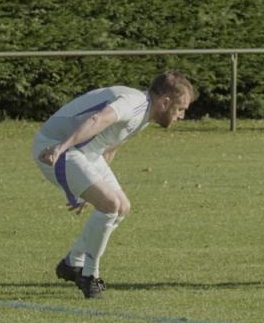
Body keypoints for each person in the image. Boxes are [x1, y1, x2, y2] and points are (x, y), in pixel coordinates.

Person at [32, 71, 195, 299]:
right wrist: (60, 148)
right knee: (110, 204)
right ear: (165, 102)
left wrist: (91, 188)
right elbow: (98, 120)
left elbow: (109, 146)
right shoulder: (134, 103)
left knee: (122, 207)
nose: (182, 116)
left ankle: (73, 262)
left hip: (83, 152)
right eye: (180, 109)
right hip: (55, 147)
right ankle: (89, 276)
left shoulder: (145, 114)